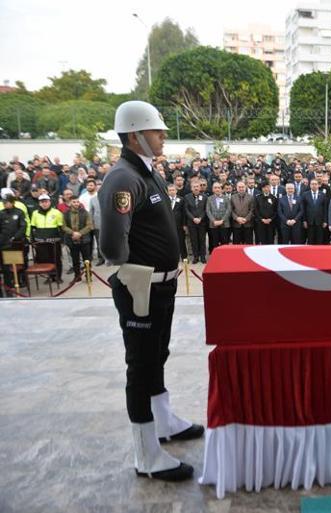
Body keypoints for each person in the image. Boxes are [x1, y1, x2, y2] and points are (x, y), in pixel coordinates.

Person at [99, 100, 200, 482]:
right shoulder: (123, 178)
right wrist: (133, 274)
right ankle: (147, 455)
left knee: (157, 354)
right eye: (157, 131)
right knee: (140, 367)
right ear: (134, 135)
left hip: (162, 286)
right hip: (142, 288)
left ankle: (165, 422)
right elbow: (112, 243)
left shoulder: (146, 173)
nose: (163, 137)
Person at [30, 193, 64, 283]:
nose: (44, 203)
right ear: (39, 203)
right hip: (40, 241)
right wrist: (32, 240)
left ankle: (58, 276)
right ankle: (50, 276)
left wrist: (62, 240)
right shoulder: (35, 213)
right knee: (45, 260)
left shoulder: (56, 212)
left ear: (49, 202)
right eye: (42, 202)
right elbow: (32, 227)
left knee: (56, 259)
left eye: (46, 201)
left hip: (54, 241)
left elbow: (61, 228)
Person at [61, 196, 93, 282]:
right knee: (75, 260)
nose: (76, 203)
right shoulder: (66, 213)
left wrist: (79, 233)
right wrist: (73, 233)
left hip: (84, 240)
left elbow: (89, 226)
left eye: (77, 202)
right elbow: (63, 226)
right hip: (72, 240)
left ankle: (88, 275)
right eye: (74, 202)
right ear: (70, 202)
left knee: (87, 259)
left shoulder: (85, 212)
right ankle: (77, 276)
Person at [0, 195, 27, 293]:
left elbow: (23, 227)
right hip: (3, 244)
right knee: (5, 266)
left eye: (7, 202)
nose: (5, 204)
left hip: (15, 243)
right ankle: (8, 286)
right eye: (4, 203)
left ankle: (20, 282)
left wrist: (15, 237)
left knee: (18, 264)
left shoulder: (19, 212)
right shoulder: (1, 213)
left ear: (12, 202)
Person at [184, 179, 208, 264]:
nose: (196, 188)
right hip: (191, 222)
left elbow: (206, 210)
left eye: (197, 186)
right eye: (194, 187)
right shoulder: (187, 197)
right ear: (191, 188)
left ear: (200, 187)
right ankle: (196, 257)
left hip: (202, 222)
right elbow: (186, 210)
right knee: (194, 240)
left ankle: (203, 257)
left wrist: (200, 218)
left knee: (202, 240)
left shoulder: (204, 197)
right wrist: (193, 218)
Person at [302, 179, 327, 245]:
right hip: (309, 221)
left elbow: (325, 209)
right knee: (310, 240)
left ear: (318, 185)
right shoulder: (305, 194)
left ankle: (319, 254)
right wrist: (304, 220)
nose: (314, 185)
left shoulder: (323, 194)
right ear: (310, 185)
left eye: (315, 184)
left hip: (320, 222)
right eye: (312, 184)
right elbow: (303, 209)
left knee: (319, 240)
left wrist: (325, 221)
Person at [206, 182, 231, 250]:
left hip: (224, 224)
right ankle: (216, 259)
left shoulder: (226, 198)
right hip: (213, 224)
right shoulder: (209, 199)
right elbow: (208, 211)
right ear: (212, 189)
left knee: (225, 242)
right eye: (215, 188)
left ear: (221, 189)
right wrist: (214, 221)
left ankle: (225, 257)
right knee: (214, 243)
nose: (217, 189)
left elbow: (228, 210)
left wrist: (222, 220)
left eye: (219, 188)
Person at [167, 184, 188, 261]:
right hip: (168, 225)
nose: (172, 192)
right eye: (170, 190)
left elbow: (184, 213)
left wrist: (184, 224)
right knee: (170, 241)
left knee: (181, 241)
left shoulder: (181, 199)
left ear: (176, 191)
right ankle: (172, 257)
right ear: (167, 191)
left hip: (179, 224)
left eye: (173, 190)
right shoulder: (165, 199)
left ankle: (184, 257)